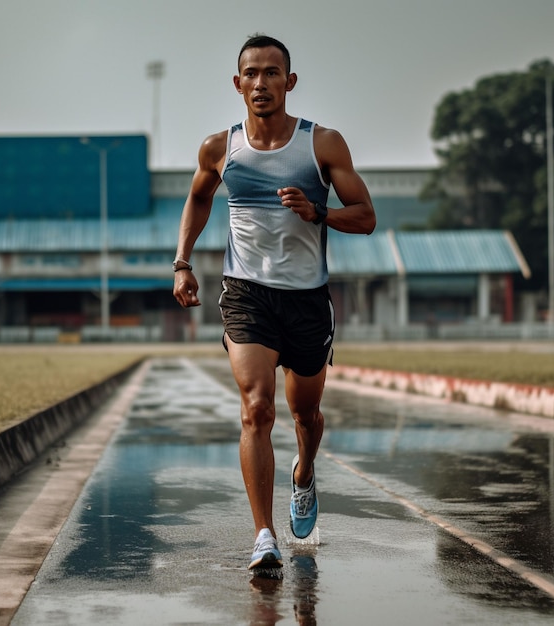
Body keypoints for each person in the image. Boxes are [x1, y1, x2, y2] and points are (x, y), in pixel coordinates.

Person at [173, 34, 376, 571]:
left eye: (271, 73)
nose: (261, 83)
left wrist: (319, 213)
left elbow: (367, 216)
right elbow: (197, 198)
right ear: (237, 84)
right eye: (251, 73)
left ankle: (304, 472)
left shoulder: (322, 145)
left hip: (307, 300)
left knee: (305, 415)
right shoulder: (220, 149)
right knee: (256, 407)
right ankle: (264, 535)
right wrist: (182, 262)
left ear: (289, 82)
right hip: (246, 295)